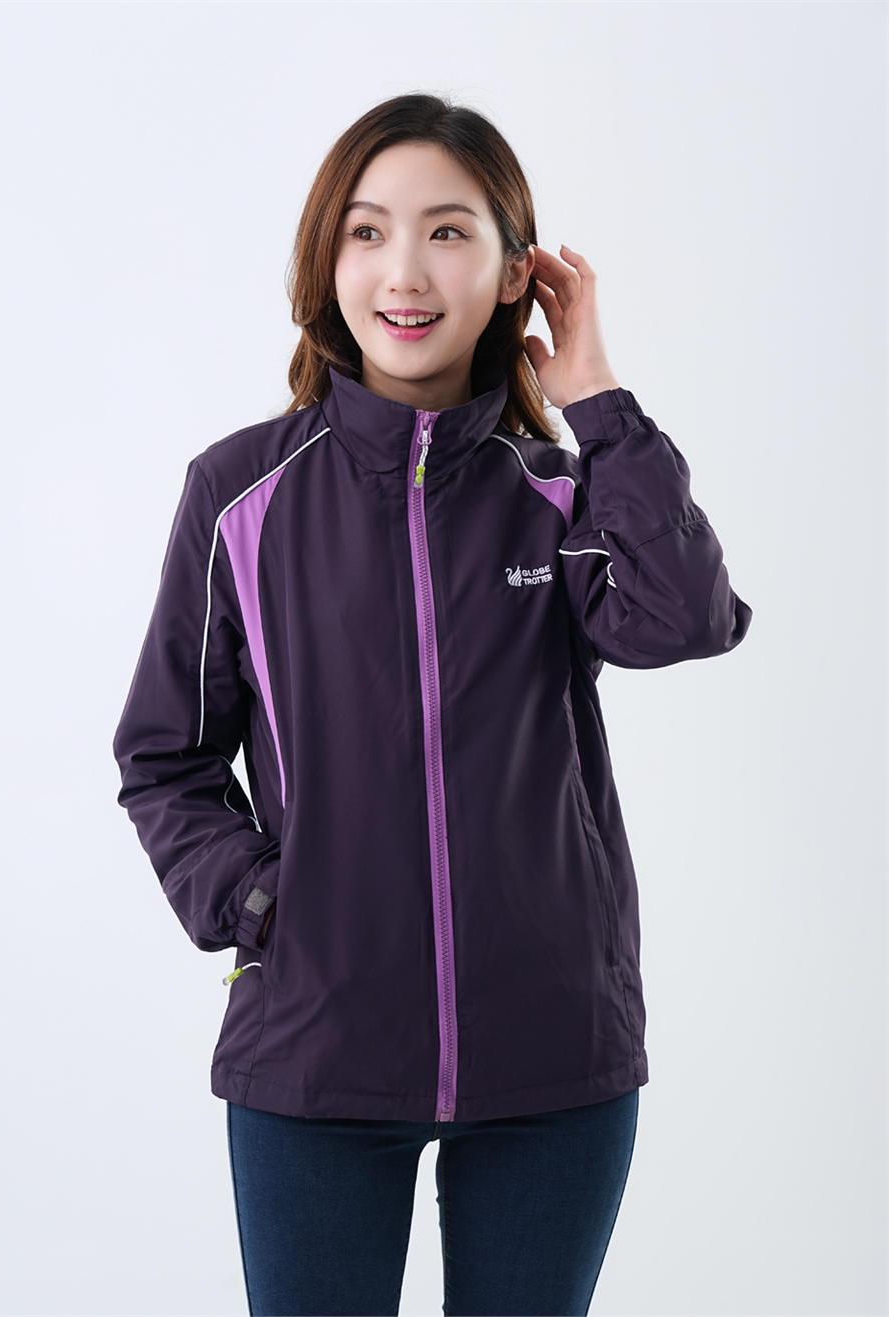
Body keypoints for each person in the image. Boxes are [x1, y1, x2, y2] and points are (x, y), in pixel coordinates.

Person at [113, 93, 751, 1317]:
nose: (404, 271)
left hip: (554, 1060)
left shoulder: (560, 494)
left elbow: (684, 618)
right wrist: (261, 901)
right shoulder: (241, 497)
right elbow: (165, 756)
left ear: (516, 273)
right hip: (315, 1059)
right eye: (367, 232)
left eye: (448, 232)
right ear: (328, 263)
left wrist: (599, 401)